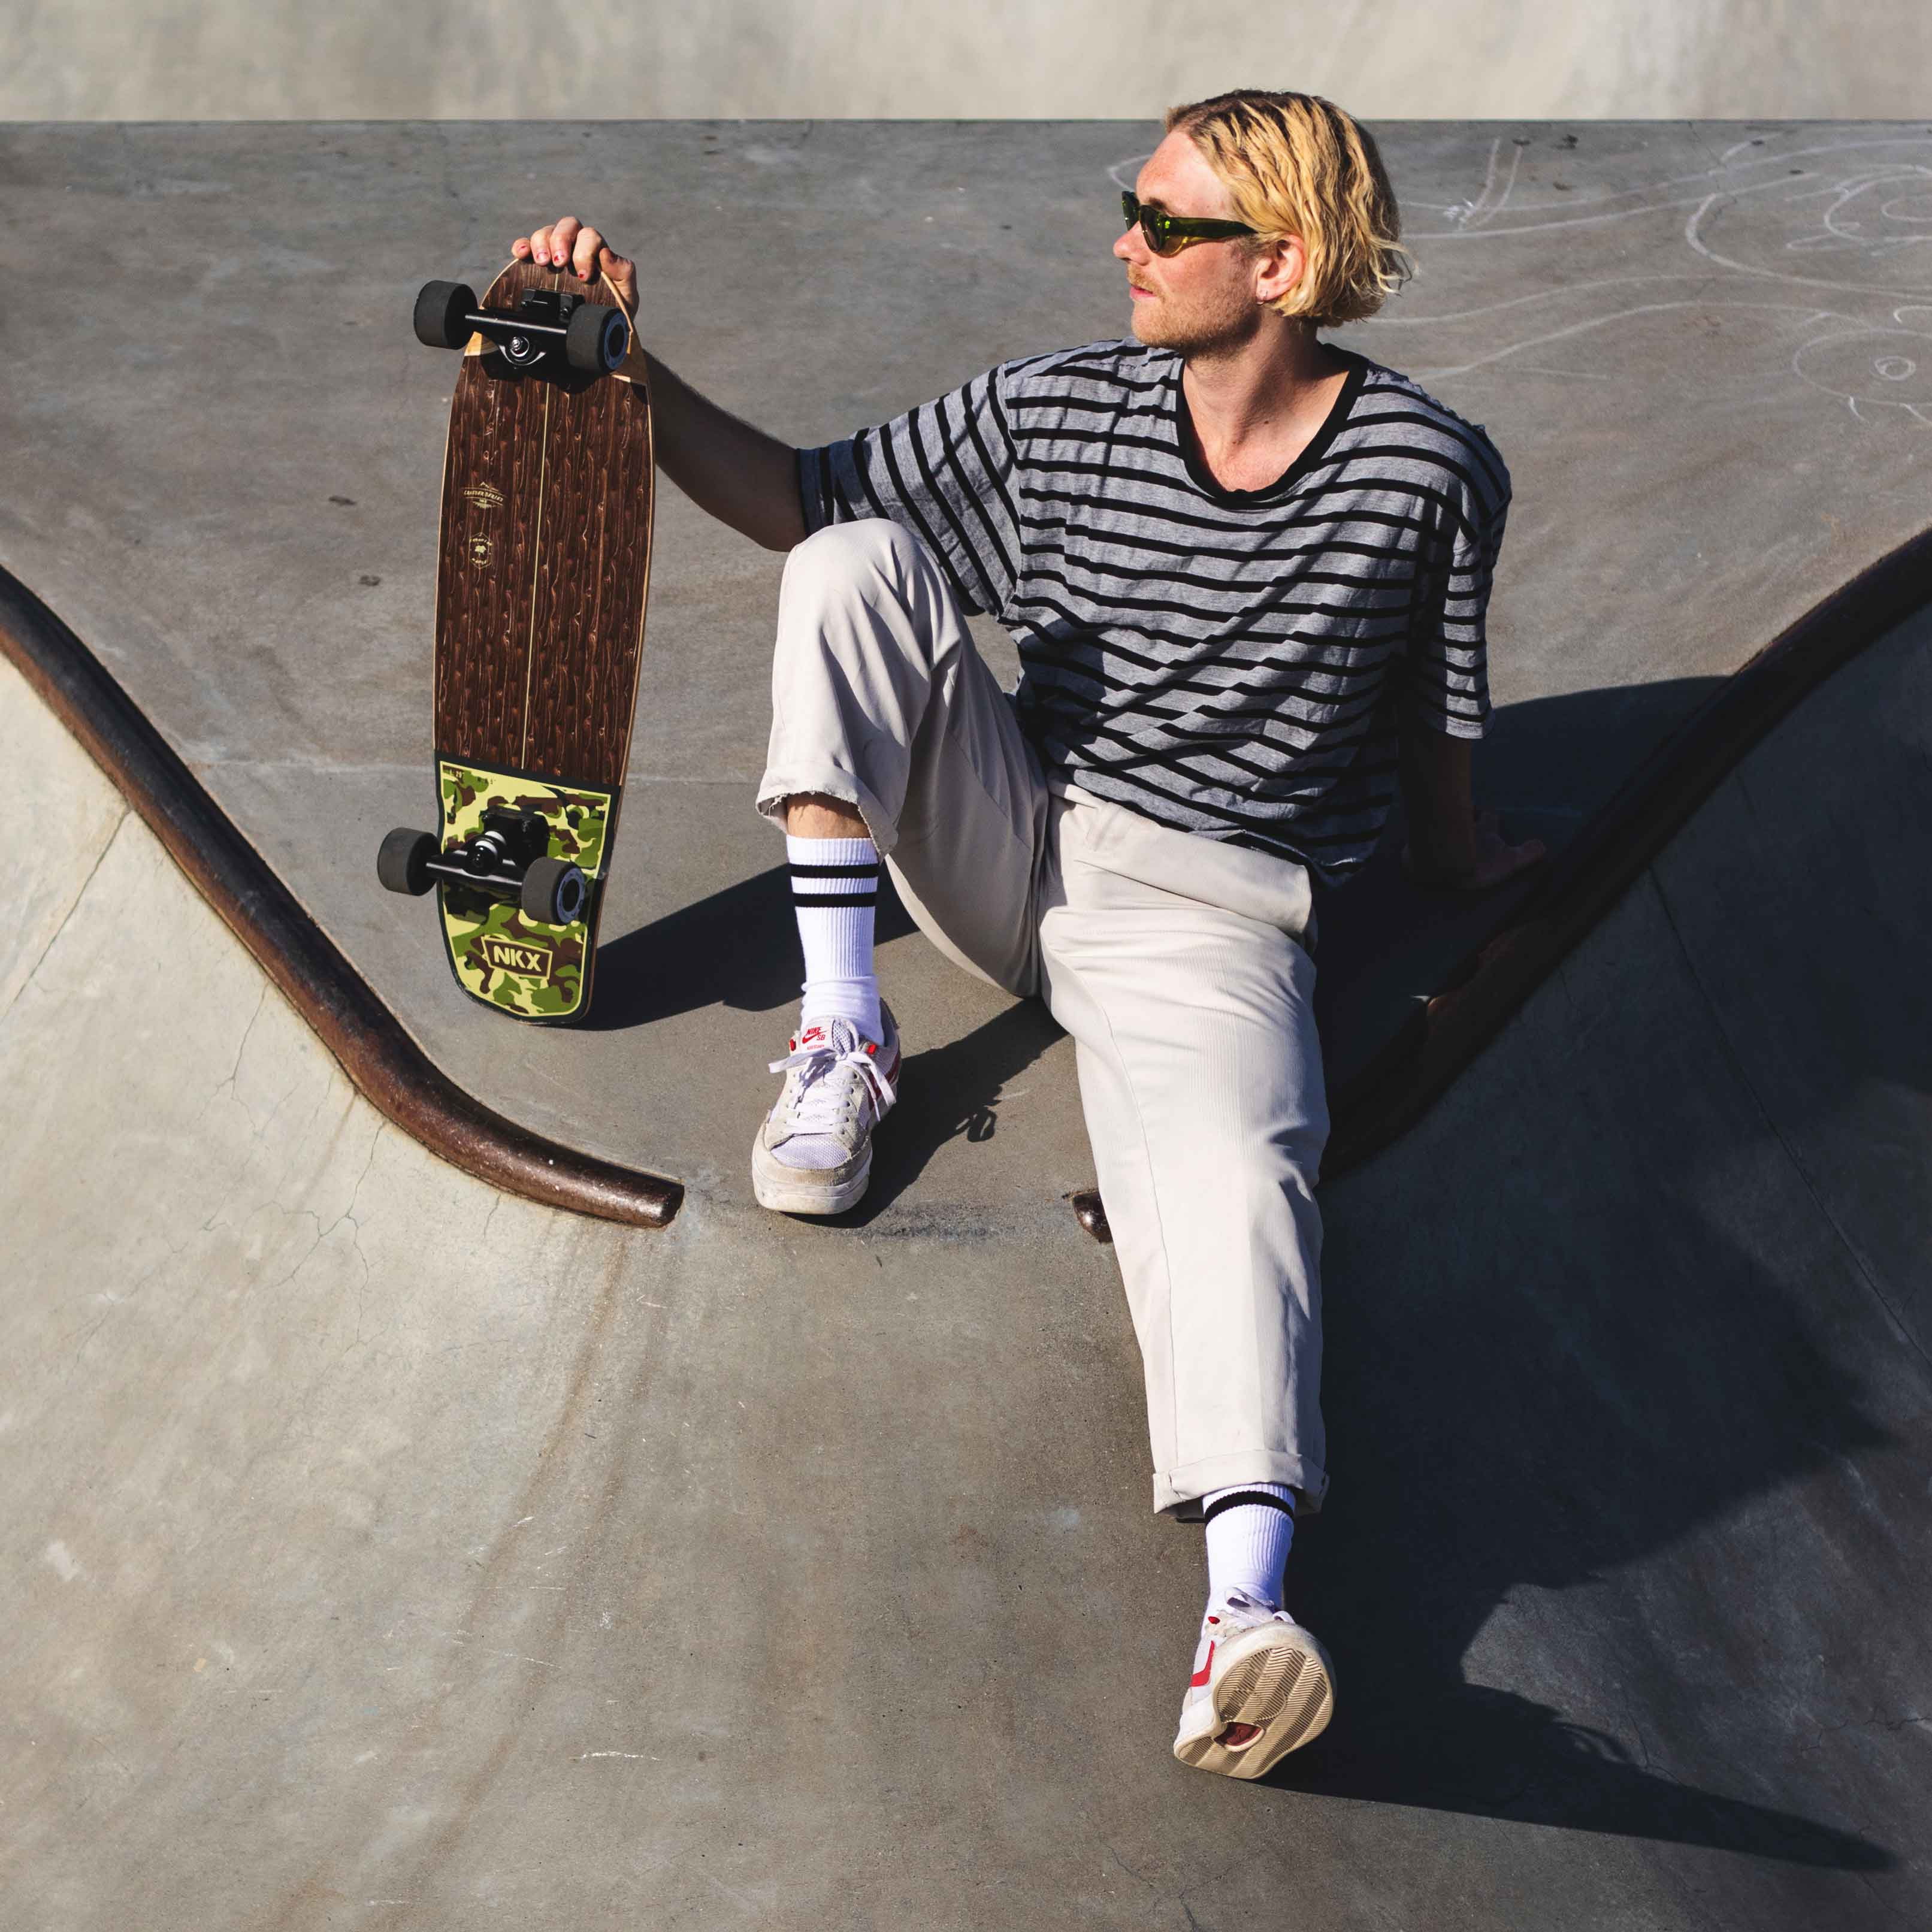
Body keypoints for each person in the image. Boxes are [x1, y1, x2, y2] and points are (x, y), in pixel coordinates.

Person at [513, 87, 1544, 1781]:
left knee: (1238, 1179)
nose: (1123, 243)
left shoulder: (1426, 473)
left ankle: (1243, 1616)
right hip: (1013, 830)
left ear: (1279, 265)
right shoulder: (1057, 408)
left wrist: (1460, 857)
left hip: (1210, 911)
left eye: (1166, 224)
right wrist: (631, 366)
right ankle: (844, 1030)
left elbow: (1436, 713)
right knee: (848, 564)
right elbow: (793, 498)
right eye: (1131, 203)